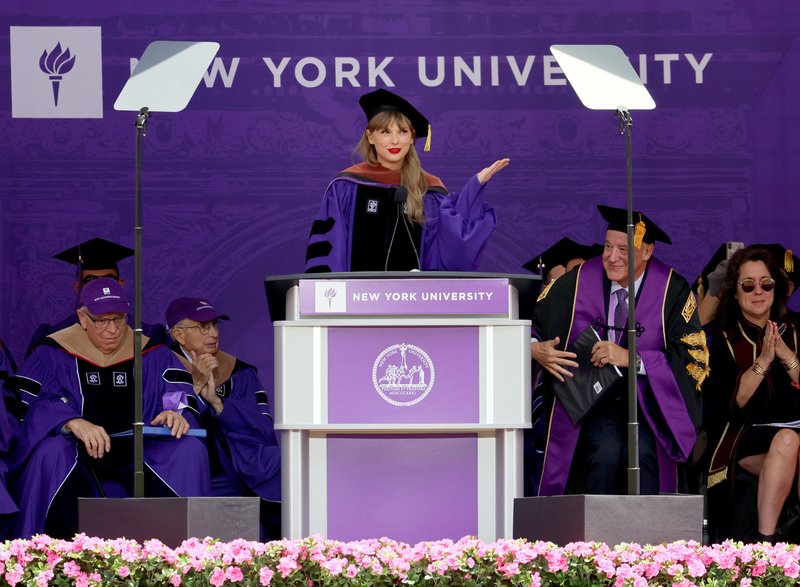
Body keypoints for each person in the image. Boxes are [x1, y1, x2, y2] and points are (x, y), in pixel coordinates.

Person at [7, 278, 210, 538]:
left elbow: (175, 391)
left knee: (188, 448)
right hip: (77, 452)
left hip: (141, 450)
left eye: (119, 319)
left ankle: (188, 549)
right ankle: (47, 551)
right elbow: (29, 403)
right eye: (101, 320)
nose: (112, 329)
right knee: (50, 451)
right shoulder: (52, 353)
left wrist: (174, 411)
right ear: (82, 317)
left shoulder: (152, 351)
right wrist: (70, 421)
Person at [531, 204, 709, 496]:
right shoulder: (579, 280)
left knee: (644, 456)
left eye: (624, 250)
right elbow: (537, 320)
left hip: (652, 402)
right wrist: (535, 349)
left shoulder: (671, 290)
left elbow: (693, 359)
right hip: (595, 400)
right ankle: (597, 540)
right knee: (604, 455)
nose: (612, 257)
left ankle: (652, 540)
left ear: (647, 252)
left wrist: (632, 358)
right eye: (607, 247)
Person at [305, 88, 509, 273]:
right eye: (385, 132)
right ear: (370, 136)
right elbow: (329, 253)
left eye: (402, 132)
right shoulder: (346, 187)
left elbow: (449, 251)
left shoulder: (429, 191)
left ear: (412, 138)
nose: (395, 140)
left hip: (414, 305)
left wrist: (473, 189)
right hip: (358, 306)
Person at [705, 246, 800, 543]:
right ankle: (766, 541)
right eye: (748, 285)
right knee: (787, 440)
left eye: (765, 283)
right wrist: (764, 361)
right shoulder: (721, 338)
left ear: (776, 288)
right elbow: (732, 403)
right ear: (735, 291)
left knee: (791, 442)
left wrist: (786, 355)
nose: (758, 291)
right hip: (743, 435)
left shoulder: (795, 329)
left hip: (794, 432)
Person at [166, 297, 281, 538]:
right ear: (179, 334)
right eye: (203, 327)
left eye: (215, 325)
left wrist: (219, 404)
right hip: (182, 469)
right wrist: (195, 386)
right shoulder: (160, 366)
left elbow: (263, 428)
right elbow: (165, 416)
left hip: (236, 467)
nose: (214, 333)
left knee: (290, 461)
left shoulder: (239, 372)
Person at [25, 237, 169, 356]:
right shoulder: (53, 338)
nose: (100, 287)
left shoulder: (149, 336)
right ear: (77, 287)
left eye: (109, 280)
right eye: (90, 281)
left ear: (121, 284)